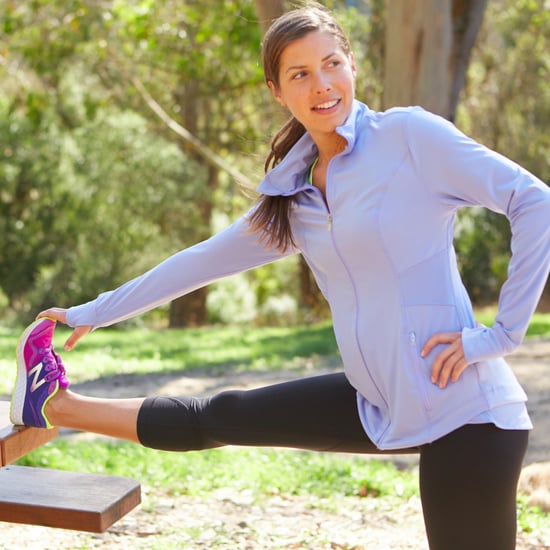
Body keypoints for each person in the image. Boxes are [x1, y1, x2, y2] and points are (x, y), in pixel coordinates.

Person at [10, 4, 550, 549]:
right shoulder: (293, 193)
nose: (322, 85)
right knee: (222, 416)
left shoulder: (408, 138)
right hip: (379, 399)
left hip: (467, 416)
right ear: (276, 89)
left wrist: (500, 336)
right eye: (300, 74)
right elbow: (200, 261)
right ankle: (52, 405)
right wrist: (94, 312)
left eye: (332, 64)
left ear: (353, 66)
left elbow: (535, 201)